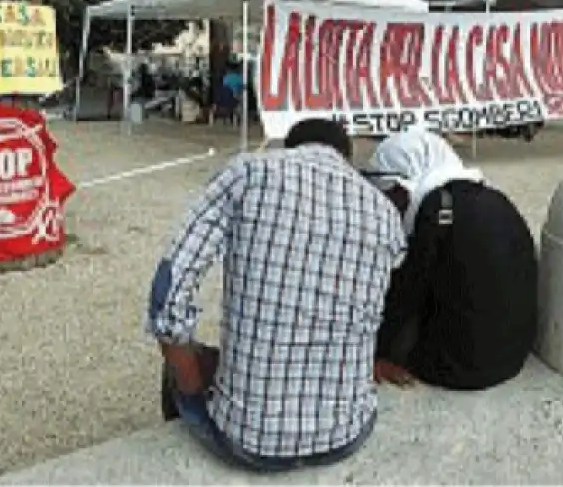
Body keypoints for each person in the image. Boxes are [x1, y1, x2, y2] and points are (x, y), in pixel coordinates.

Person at [148, 118, 406, 472]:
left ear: (291, 148)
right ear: (345, 157)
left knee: (184, 362)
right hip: (347, 435)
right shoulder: (385, 213)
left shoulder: (250, 174)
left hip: (247, 442)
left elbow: (168, 294)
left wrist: (191, 386)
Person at [366, 127, 537, 391]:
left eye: (393, 193)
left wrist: (380, 353)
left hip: (460, 368)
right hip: (511, 357)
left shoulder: (437, 208)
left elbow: (409, 290)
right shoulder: (491, 197)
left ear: (409, 179)